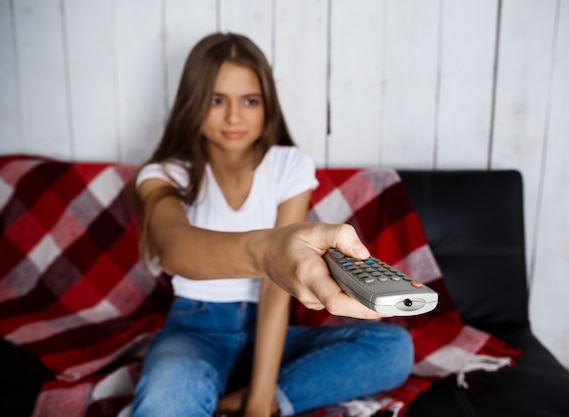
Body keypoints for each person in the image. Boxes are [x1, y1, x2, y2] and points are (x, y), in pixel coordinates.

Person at [131, 32, 413, 417]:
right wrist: (267, 253)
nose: (234, 117)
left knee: (393, 348)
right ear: (191, 104)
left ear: (267, 107)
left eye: (250, 100)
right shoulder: (165, 174)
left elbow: (275, 288)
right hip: (195, 328)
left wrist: (262, 399)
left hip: (270, 332)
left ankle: (234, 400)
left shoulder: (289, 165)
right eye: (216, 100)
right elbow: (174, 246)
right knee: (168, 393)